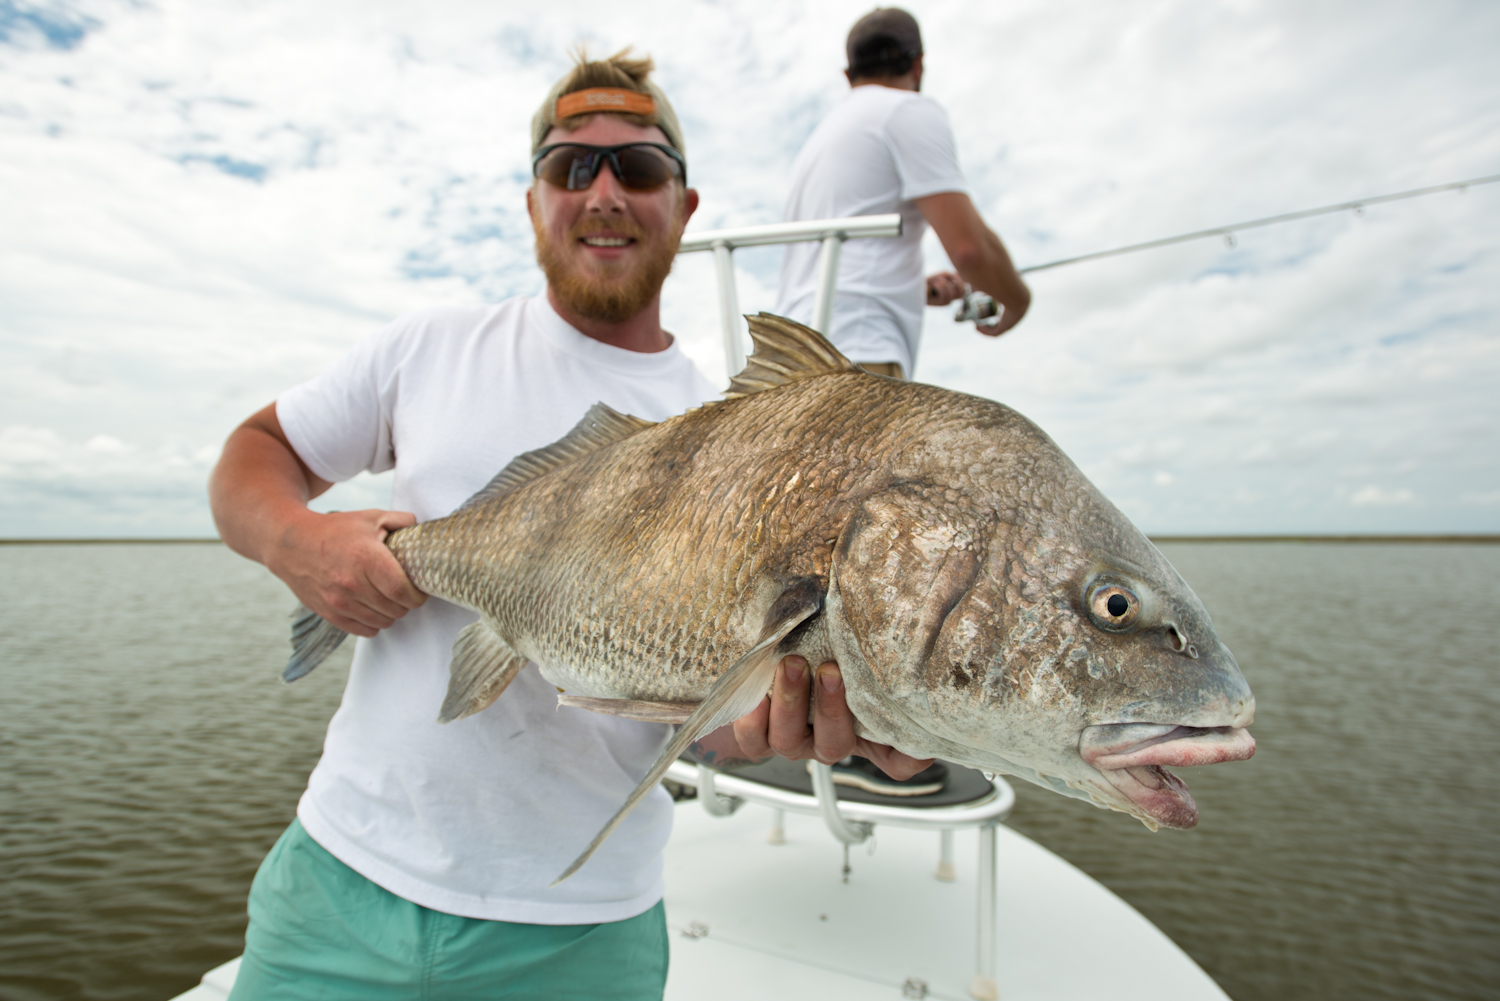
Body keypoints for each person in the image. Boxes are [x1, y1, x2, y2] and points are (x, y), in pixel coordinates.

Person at [208, 50, 930, 1001]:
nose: (603, 192)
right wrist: (298, 541)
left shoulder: (736, 436)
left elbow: (698, 715)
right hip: (341, 880)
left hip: (583, 934)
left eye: (638, 167)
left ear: (685, 202)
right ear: (533, 198)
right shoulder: (428, 347)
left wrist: (761, 723)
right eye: (570, 165)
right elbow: (253, 455)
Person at [773, 7, 1032, 380]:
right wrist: (1018, 302)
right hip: (856, 356)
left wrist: (914, 288)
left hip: (792, 358)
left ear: (849, 75)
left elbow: (836, 268)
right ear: (918, 66)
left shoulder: (820, 140)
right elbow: (969, 250)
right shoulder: (908, 110)